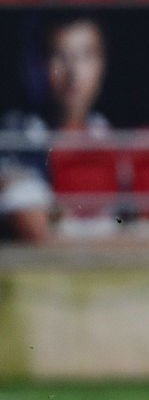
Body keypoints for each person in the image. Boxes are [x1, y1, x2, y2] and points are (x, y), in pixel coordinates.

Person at [1, 16, 114, 241]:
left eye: (86, 55)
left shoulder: (108, 134)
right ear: (39, 65)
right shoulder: (15, 138)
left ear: (102, 64)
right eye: (60, 56)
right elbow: (37, 233)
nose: (73, 72)